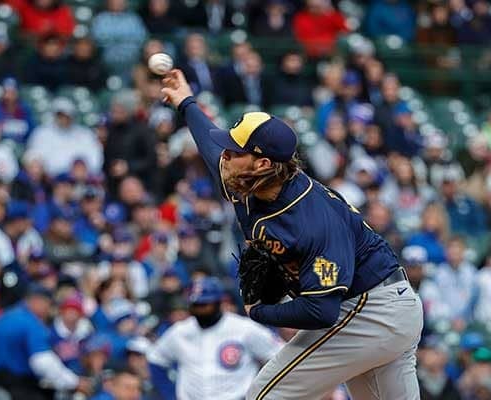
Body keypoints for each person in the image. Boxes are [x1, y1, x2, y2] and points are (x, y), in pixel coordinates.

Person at [161, 69, 423, 399]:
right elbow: (209, 143)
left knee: (265, 396)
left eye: (234, 151)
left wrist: (258, 312)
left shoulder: (311, 219)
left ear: (262, 164)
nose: (225, 155)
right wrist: (186, 102)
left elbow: (321, 311)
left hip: (370, 309)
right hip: (389, 310)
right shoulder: (246, 179)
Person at [147, 277, 282, 400]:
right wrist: (170, 394)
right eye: (195, 305)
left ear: (218, 302)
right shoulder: (180, 331)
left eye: (204, 304)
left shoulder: (245, 328)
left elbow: (279, 356)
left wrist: (263, 392)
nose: (199, 309)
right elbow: (156, 359)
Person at [0, 284, 91, 400]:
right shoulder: (30, 322)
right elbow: (42, 362)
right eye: (48, 304)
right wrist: (75, 382)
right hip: (18, 384)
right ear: (37, 301)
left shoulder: (5, 317)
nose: (49, 309)